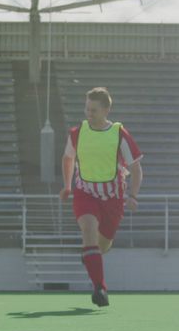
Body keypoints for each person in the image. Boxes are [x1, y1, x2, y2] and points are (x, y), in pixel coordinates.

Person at [60, 87, 143, 307]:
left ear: (106, 110)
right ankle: (100, 288)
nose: (89, 113)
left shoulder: (119, 134)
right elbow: (67, 159)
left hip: (113, 199)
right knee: (88, 229)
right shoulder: (77, 133)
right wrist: (67, 185)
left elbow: (136, 169)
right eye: (87, 108)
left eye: (94, 110)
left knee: (102, 245)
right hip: (85, 193)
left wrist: (133, 195)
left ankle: (91, 255)